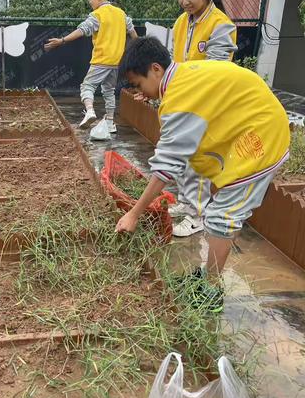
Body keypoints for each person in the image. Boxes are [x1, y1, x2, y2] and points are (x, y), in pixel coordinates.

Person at [115, 37, 289, 303]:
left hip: (261, 138)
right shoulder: (183, 78)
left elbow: (166, 168)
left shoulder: (180, 98)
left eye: (139, 84)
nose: (141, 93)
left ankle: (212, 292)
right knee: (218, 212)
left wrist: (134, 214)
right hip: (254, 125)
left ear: (156, 69)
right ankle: (208, 275)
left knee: (221, 217)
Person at [170, 0, 238, 237]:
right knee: (181, 157)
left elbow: (216, 71)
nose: (185, 2)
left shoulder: (221, 25)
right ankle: (186, 202)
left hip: (207, 104)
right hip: (184, 101)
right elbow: (174, 62)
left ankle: (197, 215)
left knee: (197, 160)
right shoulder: (181, 22)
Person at [45, 0, 138, 134]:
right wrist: (138, 46)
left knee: (87, 86)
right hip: (116, 62)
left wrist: (62, 40)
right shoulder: (121, 14)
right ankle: (110, 123)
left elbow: (82, 30)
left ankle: (89, 111)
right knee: (109, 90)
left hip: (101, 59)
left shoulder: (98, 15)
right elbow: (133, 33)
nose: (89, 1)